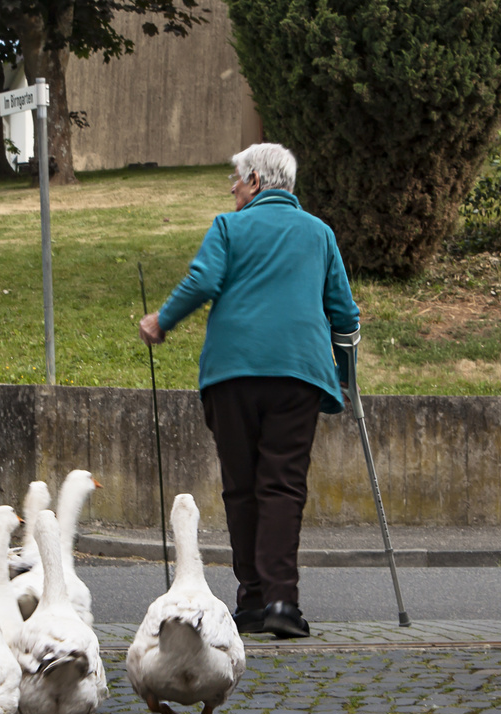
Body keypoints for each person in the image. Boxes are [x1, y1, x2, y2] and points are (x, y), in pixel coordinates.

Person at [138, 143, 359, 638]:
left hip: (232, 376)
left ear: (256, 180)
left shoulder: (228, 227)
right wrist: (344, 374)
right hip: (298, 376)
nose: (230, 187)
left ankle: (253, 601)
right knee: (282, 485)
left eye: (236, 179)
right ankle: (282, 601)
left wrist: (161, 320)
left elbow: (204, 279)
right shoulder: (320, 234)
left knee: (242, 488)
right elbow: (345, 317)